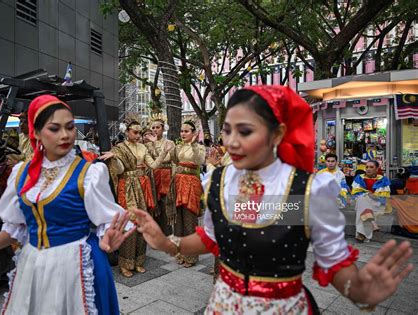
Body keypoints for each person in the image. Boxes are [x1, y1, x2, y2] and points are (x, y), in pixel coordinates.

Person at [133, 86, 413, 314]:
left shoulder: (304, 192)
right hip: (223, 305)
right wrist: (168, 243)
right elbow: (212, 237)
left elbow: (335, 263)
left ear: (277, 134)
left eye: (245, 131)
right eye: (227, 130)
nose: (231, 142)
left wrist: (362, 291)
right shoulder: (221, 181)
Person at [0, 94, 135, 314]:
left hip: (77, 265)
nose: (65, 135)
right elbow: (17, 228)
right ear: (36, 133)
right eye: (54, 128)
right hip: (35, 265)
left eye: (70, 127)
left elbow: (108, 222)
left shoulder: (89, 174)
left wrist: (108, 241)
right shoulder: (21, 174)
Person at [99, 115, 175, 278]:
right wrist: (115, 159)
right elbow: (119, 171)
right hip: (127, 188)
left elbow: (154, 165)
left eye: (140, 133)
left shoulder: (143, 148)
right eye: (135, 133)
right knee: (129, 224)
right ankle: (125, 263)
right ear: (127, 132)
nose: (138, 136)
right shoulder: (119, 148)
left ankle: (139, 261)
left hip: (142, 187)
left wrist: (163, 152)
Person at [166, 120, 205, 267]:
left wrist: (194, 145)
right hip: (178, 184)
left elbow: (199, 160)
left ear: (194, 133)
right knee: (178, 221)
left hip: (191, 185)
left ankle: (191, 257)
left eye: (186, 131)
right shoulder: (178, 147)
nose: (183, 133)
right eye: (182, 131)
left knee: (190, 220)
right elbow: (169, 159)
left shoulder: (199, 148)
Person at [144, 113, 175, 235]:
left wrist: (156, 143)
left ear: (163, 128)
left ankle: (166, 232)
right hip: (153, 176)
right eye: (153, 128)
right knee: (154, 204)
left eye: (158, 127)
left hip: (166, 175)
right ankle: (155, 233)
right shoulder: (147, 144)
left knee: (166, 203)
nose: (155, 130)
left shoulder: (170, 143)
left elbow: (167, 158)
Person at [352, 160, 391, 242]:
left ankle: (361, 234)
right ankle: (372, 223)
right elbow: (356, 193)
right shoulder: (359, 178)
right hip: (362, 201)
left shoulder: (383, 180)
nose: (368, 169)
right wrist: (367, 194)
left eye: (371, 167)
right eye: (367, 167)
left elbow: (382, 197)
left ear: (377, 169)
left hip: (377, 203)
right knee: (362, 199)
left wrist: (371, 195)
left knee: (362, 201)